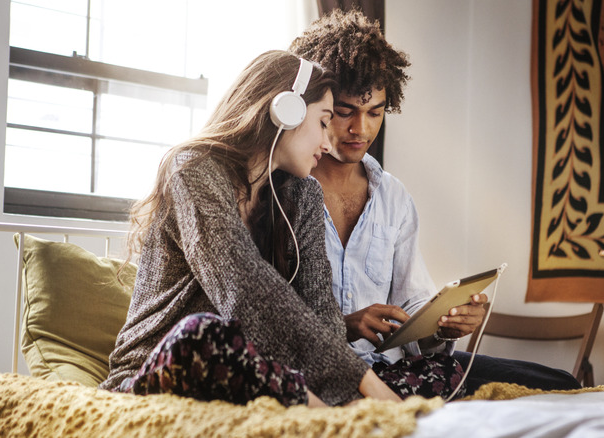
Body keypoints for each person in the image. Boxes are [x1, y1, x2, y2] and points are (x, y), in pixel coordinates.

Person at [290, 10, 581, 395]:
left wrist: (443, 323)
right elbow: (270, 311)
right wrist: (344, 322)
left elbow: (412, 307)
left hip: (393, 364)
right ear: (319, 107)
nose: (361, 129)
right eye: (345, 112)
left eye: (375, 112)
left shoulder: (392, 197)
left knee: (557, 383)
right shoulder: (284, 194)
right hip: (325, 370)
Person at [99, 50, 402, 407]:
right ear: (284, 111)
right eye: (323, 122)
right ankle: (337, 422)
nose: (327, 141)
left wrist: (354, 387)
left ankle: (335, 416)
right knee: (203, 333)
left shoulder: (302, 193)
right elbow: (243, 288)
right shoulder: (192, 171)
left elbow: (324, 316)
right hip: (162, 368)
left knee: (430, 372)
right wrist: (366, 385)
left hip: (256, 370)